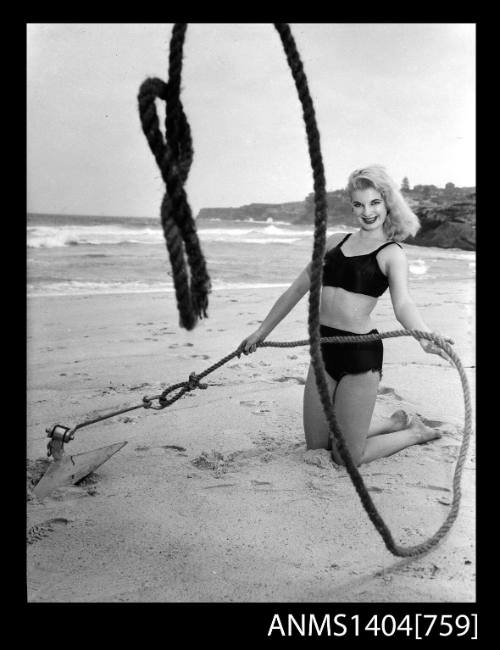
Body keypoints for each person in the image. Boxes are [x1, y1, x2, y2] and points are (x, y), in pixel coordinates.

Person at [239, 165, 452, 467]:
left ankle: (413, 433)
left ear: (386, 202)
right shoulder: (334, 242)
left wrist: (424, 336)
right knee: (317, 446)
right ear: (351, 205)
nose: (367, 212)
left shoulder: (392, 253)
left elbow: (404, 305)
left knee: (344, 457)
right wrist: (262, 331)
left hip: (359, 356)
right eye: (359, 204)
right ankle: (391, 423)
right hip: (324, 349)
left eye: (375, 202)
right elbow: (295, 290)